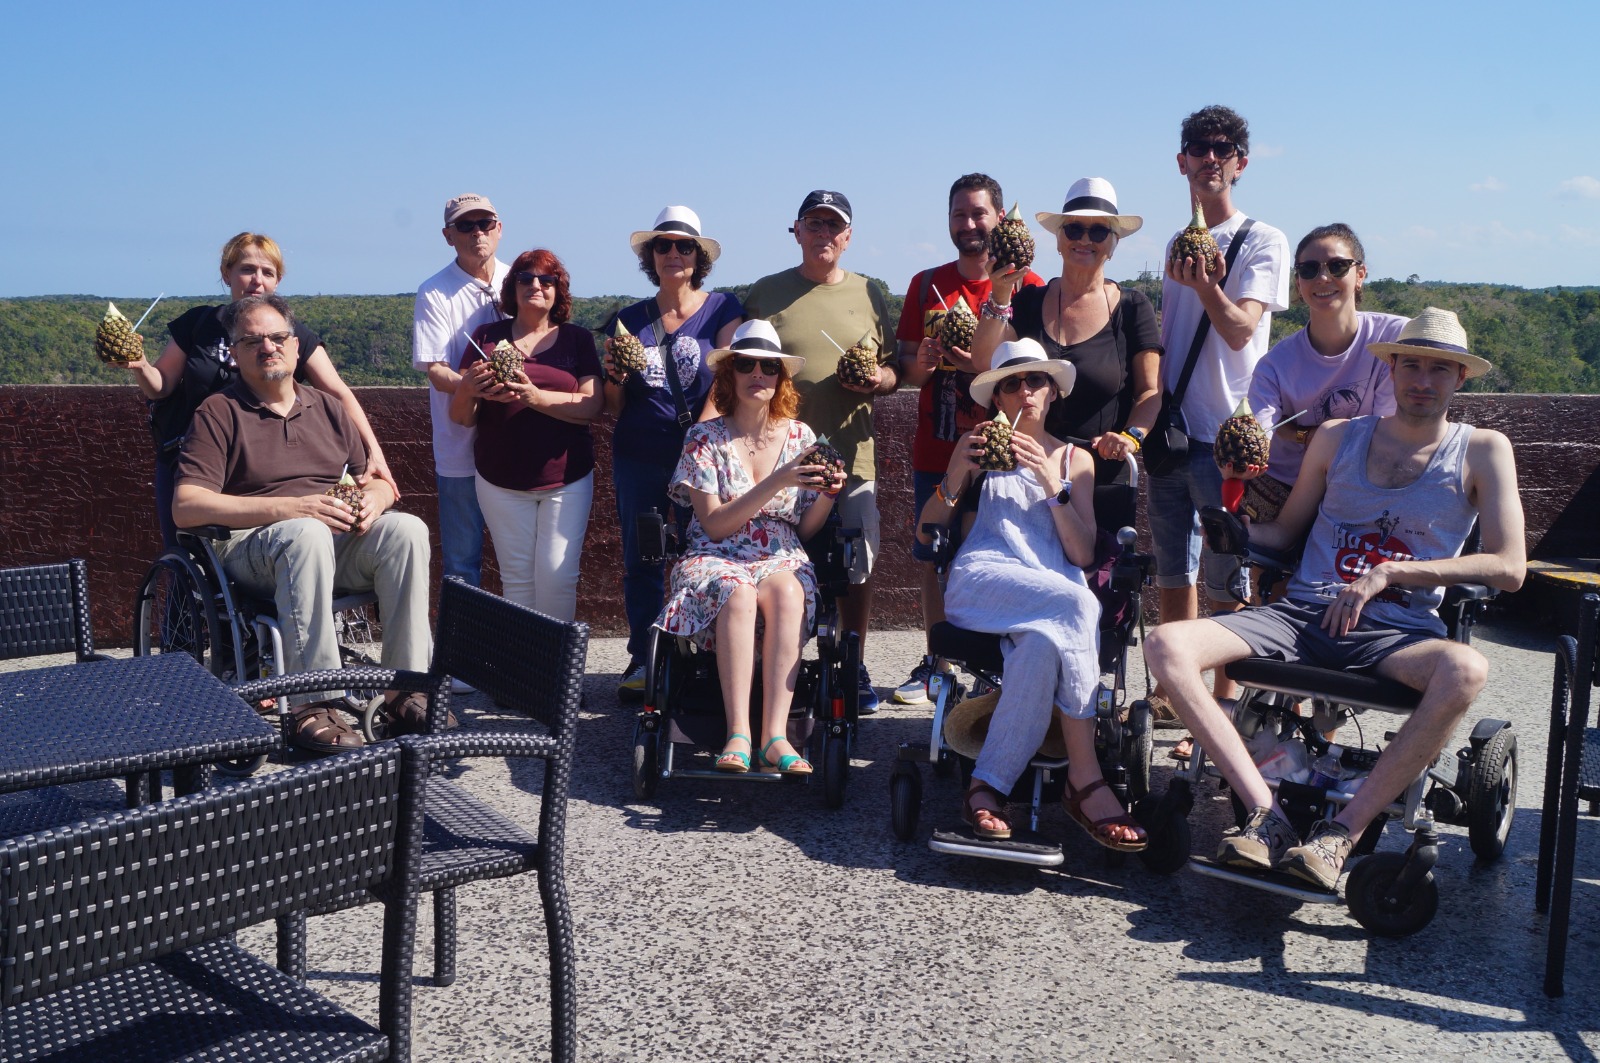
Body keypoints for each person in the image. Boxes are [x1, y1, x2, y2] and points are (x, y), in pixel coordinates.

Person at [1144, 308, 1524, 889]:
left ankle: (1340, 833)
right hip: (1301, 614)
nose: (1423, 380)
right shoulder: (1338, 437)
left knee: (1466, 670)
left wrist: (1393, 573)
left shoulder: (1481, 450)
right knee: (1166, 645)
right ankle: (1263, 814)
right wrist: (1238, 530)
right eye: (1412, 365)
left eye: (1439, 370)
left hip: (1394, 633)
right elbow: (1287, 532)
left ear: (1460, 379)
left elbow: (1509, 566)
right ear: (1391, 370)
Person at [172, 294, 433, 755]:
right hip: (252, 546)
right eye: (252, 340)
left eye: (277, 337)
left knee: (406, 529)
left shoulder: (328, 409)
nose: (267, 347)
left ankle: (405, 691)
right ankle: (313, 706)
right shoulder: (218, 412)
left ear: (296, 347)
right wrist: (292, 509)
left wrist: (372, 501)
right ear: (235, 354)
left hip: (331, 540)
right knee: (306, 532)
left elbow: (375, 482)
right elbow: (187, 506)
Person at [917, 340, 1144, 849]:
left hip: (1053, 593)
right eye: (1012, 384)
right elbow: (927, 533)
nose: (1024, 392)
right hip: (983, 580)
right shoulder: (978, 445)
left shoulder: (1073, 458)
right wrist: (957, 473)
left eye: (1034, 381)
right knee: (1080, 603)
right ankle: (1085, 778)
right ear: (997, 397)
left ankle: (987, 785)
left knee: (1041, 649)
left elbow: (1082, 553)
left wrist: (1049, 481)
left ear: (1052, 391)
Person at [655, 320, 847, 774]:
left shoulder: (800, 437)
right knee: (736, 591)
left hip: (780, 551)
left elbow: (804, 527)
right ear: (730, 374)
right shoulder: (704, 439)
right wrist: (780, 478)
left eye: (769, 366)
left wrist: (829, 495)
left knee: (787, 592)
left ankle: (775, 737)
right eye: (746, 364)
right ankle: (738, 732)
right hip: (714, 553)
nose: (758, 373)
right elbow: (715, 525)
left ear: (781, 378)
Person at [1148, 105, 1291, 712]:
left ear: (1241, 163)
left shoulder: (1263, 239)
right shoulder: (1177, 243)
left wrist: (1207, 281)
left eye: (1223, 148)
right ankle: (1179, 694)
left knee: (1227, 575)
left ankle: (1224, 706)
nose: (1212, 157)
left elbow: (1239, 332)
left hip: (1231, 437)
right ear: (1181, 161)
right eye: (1200, 147)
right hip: (1174, 430)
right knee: (1172, 569)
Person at [122, 232, 392, 552]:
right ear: (227, 274)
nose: (257, 281)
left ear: (277, 282)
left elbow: (338, 393)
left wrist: (374, 452)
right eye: (247, 269)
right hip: (191, 459)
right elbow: (161, 385)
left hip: (259, 465)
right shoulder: (200, 324)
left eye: (268, 273)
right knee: (185, 558)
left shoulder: (290, 335)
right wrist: (140, 365)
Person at [891, 173, 1044, 705]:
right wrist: (924, 363)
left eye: (979, 214)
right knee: (934, 554)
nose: (969, 224)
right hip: (938, 448)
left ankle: (990, 663)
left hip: (1006, 455)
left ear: (1000, 219)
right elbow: (907, 366)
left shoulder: (1030, 284)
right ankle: (937, 662)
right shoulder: (925, 282)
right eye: (960, 214)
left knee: (999, 555)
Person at [744, 190, 895, 713]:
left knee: (855, 568)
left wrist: (880, 378)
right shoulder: (766, 293)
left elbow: (898, 370)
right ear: (797, 230)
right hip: (778, 461)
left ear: (848, 237)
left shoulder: (871, 293)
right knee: (777, 564)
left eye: (834, 225)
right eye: (814, 223)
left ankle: (854, 664)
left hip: (853, 458)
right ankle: (779, 672)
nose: (823, 233)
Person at [603, 207, 744, 700]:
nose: (673, 254)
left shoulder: (724, 308)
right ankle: (643, 657)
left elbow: (728, 377)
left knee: (701, 552)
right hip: (640, 452)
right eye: (662, 246)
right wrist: (616, 377)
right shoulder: (627, 320)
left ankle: (694, 653)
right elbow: (614, 404)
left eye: (684, 246)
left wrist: (698, 439)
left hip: (702, 456)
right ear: (650, 255)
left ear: (699, 257)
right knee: (642, 557)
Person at [974, 176, 1161, 483]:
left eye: (1099, 230)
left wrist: (1132, 437)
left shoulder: (1133, 308)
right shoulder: (1029, 302)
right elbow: (984, 362)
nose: (1085, 240)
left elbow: (1150, 391)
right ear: (1059, 240)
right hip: (1026, 474)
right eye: (1074, 229)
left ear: (1114, 244)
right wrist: (999, 293)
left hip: (1101, 475)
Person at [451, 250, 602, 621]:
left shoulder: (577, 340)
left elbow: (592, 406)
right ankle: (526, 674)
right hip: (500, 478)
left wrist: (534, 397)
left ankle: (555, 672)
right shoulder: (486, 337)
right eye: (526, 278)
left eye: (547, 280)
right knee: (517, 581)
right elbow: (462, 418)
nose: (536, 285)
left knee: (558, 576)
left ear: (558, 291)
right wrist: (469, 389)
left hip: (566, 477)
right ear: (512, 288)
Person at [1243, 223, 1406, 523]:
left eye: (1337, 266)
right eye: (1308, 269)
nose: (1322, 277)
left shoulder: (1394, 338)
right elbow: (1258, 435)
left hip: (1361, 486)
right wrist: (1239, 460)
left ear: (1360, 275)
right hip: (1284, 488)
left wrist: (1298, 434)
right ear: (1298, 283)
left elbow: (1387, 431)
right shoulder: (1274, 365)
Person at [414, 193, 508, 591]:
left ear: (499, 229)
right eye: (465, 226)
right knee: (462, 561)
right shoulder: (435, 292)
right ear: (448, 235)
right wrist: (475, 385)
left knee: (517, 560)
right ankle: (461, 650)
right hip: (460, 448)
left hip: (514, 442)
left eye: (484, 224)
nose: (477, 233)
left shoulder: (522, 280)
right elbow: (435, 370)